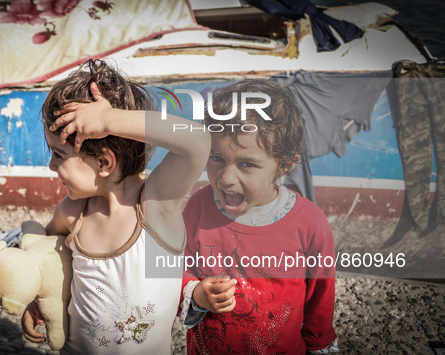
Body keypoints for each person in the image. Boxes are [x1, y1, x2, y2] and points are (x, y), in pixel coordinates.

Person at [20, 59, 210, 354]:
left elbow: (197, 141)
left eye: (59, 155)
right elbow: (48, 260)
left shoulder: (155, 206)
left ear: (104, 163)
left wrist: (109, 119)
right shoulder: (72, 214)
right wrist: (39, 297)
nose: (50, 165)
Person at [179, 79, 338, 354]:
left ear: (284, 165)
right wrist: (196, 292)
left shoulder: (309, 224)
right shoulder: (197, 208)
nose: (226, 178)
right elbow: (179, 268)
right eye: (216, 157)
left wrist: (319, 345)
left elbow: (320, 300)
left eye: (246, 164)